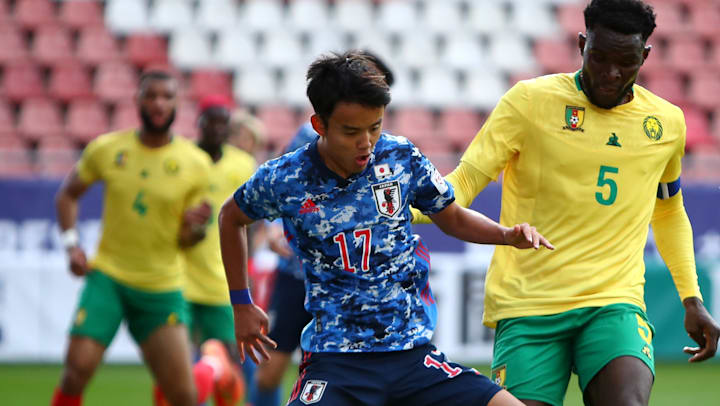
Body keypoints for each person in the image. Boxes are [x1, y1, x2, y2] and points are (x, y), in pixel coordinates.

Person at [412, 1, 720, 405]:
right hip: (528, 304)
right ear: (581, 44)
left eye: (626, 62)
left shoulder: (665, 123)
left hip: (613, 301)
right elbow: (464, 182)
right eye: (600, 58)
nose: (611, 73)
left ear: (645, 56)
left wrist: (692, 298)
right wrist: (397, 209)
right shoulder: (529, 102)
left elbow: (668, 209)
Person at [218, 51, 553, 406]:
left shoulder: (400, 156)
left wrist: (504, 234)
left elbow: (452, 216)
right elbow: (230, 217)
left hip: (413, 358)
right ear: (319, 125)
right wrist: (241, 303)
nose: (366, 142)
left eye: (375, 126)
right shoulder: (285, 177)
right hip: (336, 361)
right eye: (351, 131)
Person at [52, 71, 232, 406]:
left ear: (177, 104)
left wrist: (194, 229)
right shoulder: (108, 149)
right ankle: (213, 365)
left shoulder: (195, 164)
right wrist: (71, 245)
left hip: (161, 287)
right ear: (137, 100)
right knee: (75, 373)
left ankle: (213, 366)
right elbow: (67, 195)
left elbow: (187, 239)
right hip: (108, 277)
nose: (158, 104)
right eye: (151, 96)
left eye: (166, 97)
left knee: (183, 397)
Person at [252, 50, 395, 406]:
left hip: (346, 281)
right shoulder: (308, 136)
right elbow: (280, 186)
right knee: (269, 373)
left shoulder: (385, 149)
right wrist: (274, 230)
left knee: (338, 376)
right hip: (297, 272)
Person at [164, 95, 257, 406]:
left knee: (229, 359)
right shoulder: (181, 160)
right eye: (211, 122)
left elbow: (249, 224)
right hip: (180, 279)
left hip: (222, 280)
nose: (217, 129)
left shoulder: (242, 165)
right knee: (177, 362)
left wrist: (247, 270)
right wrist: (187, 227)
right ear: (199, 123)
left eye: (223, 123)